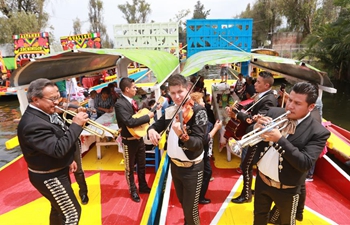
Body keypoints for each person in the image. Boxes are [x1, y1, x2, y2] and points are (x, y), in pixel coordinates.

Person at [252, 82, 330, 225]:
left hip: (287, 189)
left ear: (311, 107)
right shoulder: (274, 112)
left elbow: (304, 163)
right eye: (290, 100)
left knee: (287, 222)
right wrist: (256, 127)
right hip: (261, 181)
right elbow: (252, 136)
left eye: (297, 103)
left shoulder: (318, 132)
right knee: (258, 217)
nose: (290, 106)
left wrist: (280, 140)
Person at [17, 78, 89, 225]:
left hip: (57, 170)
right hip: (49, 177)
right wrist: (76, 124)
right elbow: (58, 149)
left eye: (58, 97)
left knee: (58, 210)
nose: (57, 102)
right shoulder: (33, 125)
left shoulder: (46, 113)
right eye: (52, 99)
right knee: (72, 214)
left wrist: (69, 160)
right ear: (35, 99)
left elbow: (59, 135)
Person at [148, 74, 208, 225]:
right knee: (182, 202)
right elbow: (158, 125)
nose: (177, 96)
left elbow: (199, 143)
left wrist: (183, 135)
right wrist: (151, 129)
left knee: (191, 208)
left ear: (188, 89)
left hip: (192, 169)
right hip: (175, 166)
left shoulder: (199, 111)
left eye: (180, 92)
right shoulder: (171, 110)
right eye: (173, 93)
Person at [226, 71, 277, 204]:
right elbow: (250, 107)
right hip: (252, 136)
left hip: (256, 138)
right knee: (246, 165)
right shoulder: (262, 96)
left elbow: (258, 120)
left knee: (246, 165)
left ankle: (246, 194)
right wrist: (235, 110)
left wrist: (236, 115)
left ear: (266, 85)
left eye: (258, 82)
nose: (255, 84)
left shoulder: (269, 100)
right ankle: (248, 190)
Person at [114, 77, 154, 202]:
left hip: (138, 138)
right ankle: (133, 190)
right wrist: (147, 117)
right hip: (128, 140)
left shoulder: (132, 101)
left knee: (142, 164)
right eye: (134, 87)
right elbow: (130, 122)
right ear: (127, 89)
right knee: (130, 168)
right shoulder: (119, 104)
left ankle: (143, 185)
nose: (136, 89)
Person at [190, 92, 222, 204]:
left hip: (202, 150)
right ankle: (200, 197)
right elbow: (205, 138)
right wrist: (216, 128)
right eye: (202, 101)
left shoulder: (196, 114)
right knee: (207, 172)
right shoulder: (199, 116)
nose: (204, 103)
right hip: (202, 151)